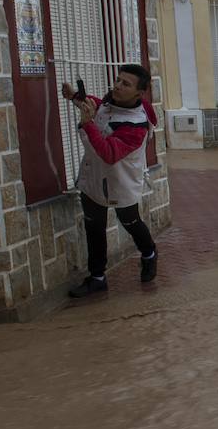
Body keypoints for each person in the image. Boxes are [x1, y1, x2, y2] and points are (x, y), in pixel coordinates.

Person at [63, 64, 158, 298]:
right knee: (94, 227)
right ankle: (97, 278)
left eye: (126, 84)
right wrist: (75, 96)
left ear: (139, 93)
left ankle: (149, 253)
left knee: (130, 221)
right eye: (118, 80)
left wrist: (87, 124)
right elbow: (99, 107)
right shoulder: (110, 100)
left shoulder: (136, 126)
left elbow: (109, 153)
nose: (117, 86)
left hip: (121, 181)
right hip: (94, 178)